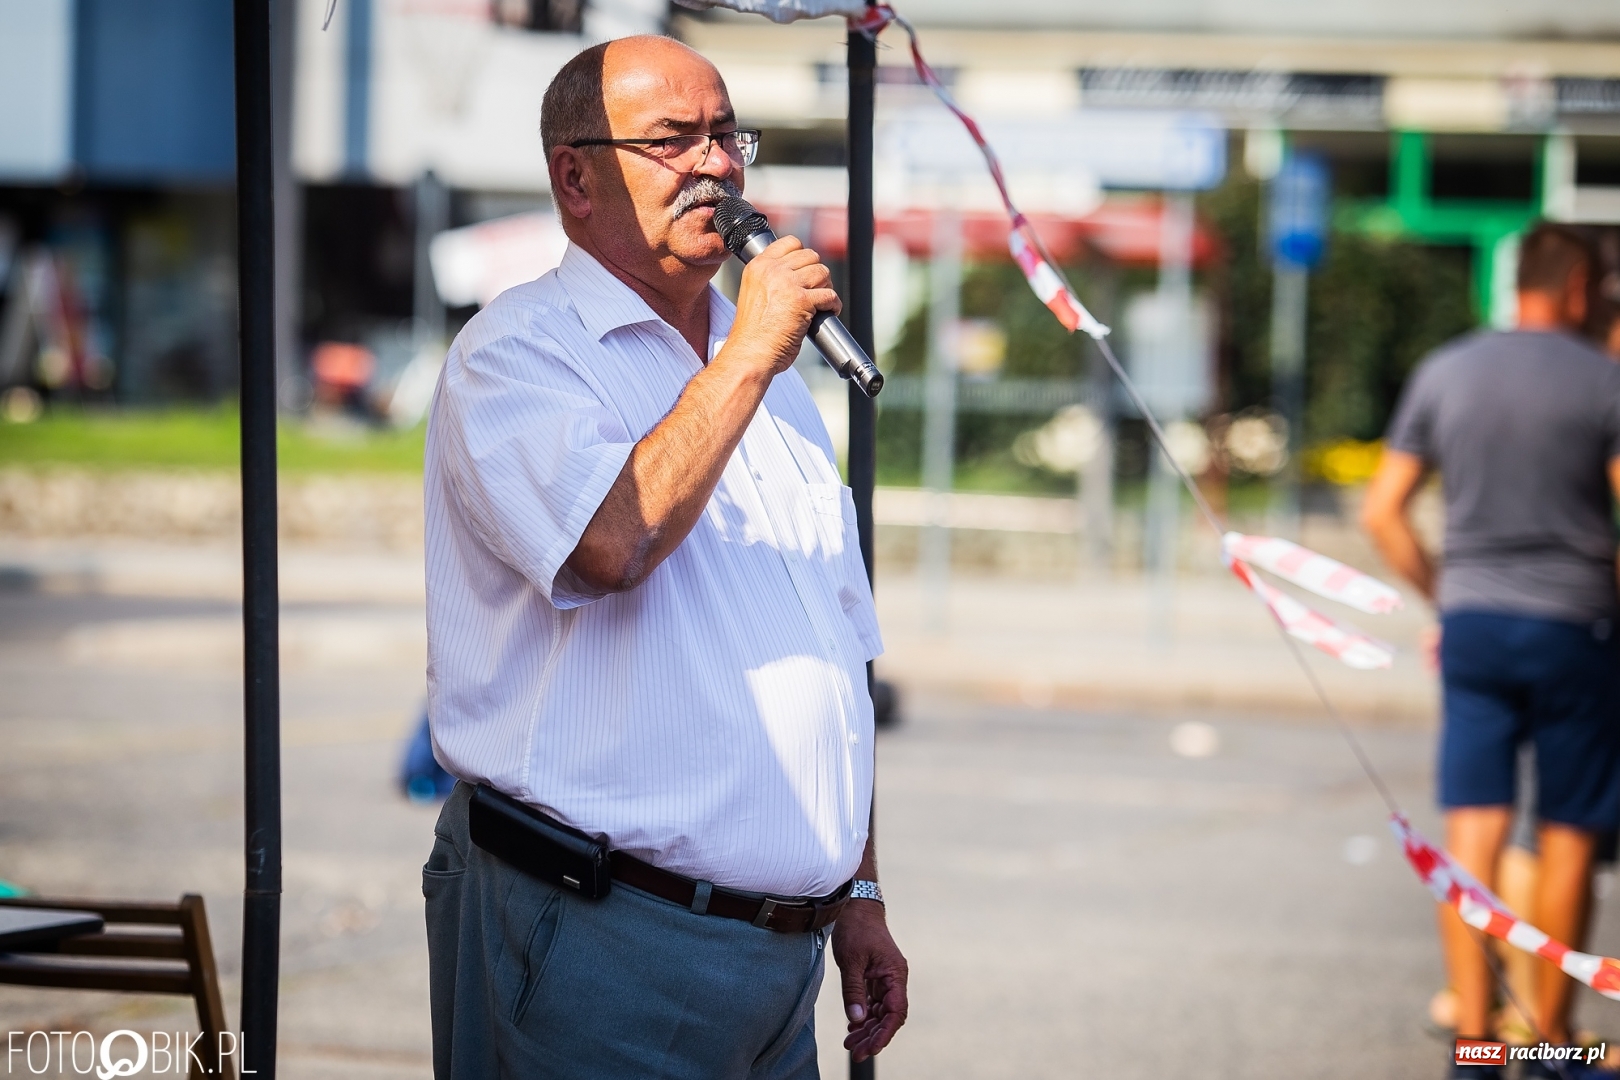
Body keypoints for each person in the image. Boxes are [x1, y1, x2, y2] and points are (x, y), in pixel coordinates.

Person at [420, 36, 907, 1079]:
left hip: (783, 961)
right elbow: (610, 543)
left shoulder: (767, 375)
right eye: (673, 140)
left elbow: (834, 650)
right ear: (574, 177)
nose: (719, 165)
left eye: (728, 134)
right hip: (601, 937)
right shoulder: (516, 355)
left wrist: (857, 889)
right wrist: (750, 354)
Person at [1363, 222, 1620, 1079]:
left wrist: (1446, 591)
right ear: (1578, 285)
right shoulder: (1604, 380)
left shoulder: (1447, 370)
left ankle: (1475, 1046)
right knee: (1569, 834)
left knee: (1473, 831)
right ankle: (1548, 1043)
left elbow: (1382, 511)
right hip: (1577, 625)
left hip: (1473, 623)